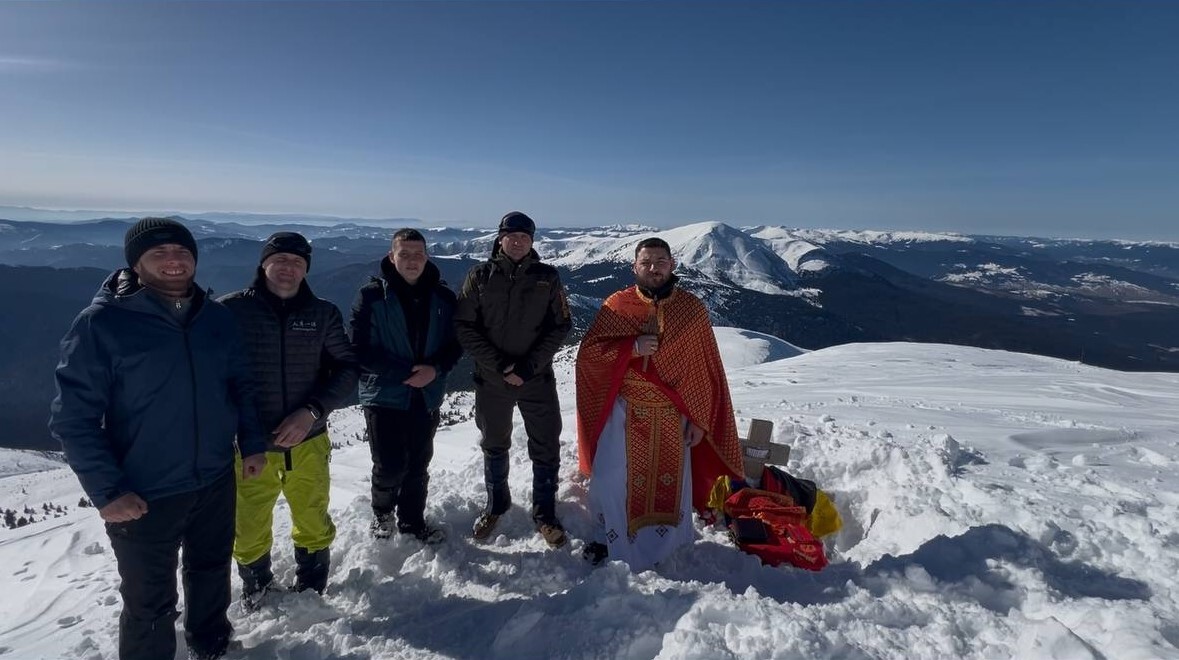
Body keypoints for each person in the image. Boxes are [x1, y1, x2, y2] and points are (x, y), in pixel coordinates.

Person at [49, 217, 269, 660]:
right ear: (136, 263)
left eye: (182, 251)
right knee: (149, 600)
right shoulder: (102, 323)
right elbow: (73, 418)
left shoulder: (215, 317)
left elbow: (240, 385)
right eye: (159, 253)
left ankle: (213, 647)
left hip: (214, 477)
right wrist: (108, 491)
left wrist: (252, 442)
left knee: (211, 572)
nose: (174, 260)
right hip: (144, 489)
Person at [575, 237, 744, 570]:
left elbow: (704, 371)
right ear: (634, 267)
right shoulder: (617, 305)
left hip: (672, 415)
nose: (653, 268)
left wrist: (699, 420)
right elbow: (589, 355)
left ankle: (665, 548)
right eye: (646, 262)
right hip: (625, 411)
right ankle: (610, 536)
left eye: (660, 262)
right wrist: (631, 349)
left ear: (672, 265)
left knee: (669, 487)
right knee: (611, 478)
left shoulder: (691, 309)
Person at [218, 232, 358, 609]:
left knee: (313, 516)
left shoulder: (322, 313)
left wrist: (311, 411)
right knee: (247, 523)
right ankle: (257, 588)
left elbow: (347, 367)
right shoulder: (230, 311)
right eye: (280, 259)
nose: (288, 268)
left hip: (308, 438)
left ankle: (311, 588)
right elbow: (211, 375)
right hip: (248, 443)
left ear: (306, 269)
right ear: (263, 263)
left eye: (297, 262)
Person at [454, 211, 572, 547]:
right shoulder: (479, 276)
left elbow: (561, 325)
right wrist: (502, 365)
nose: (518, 242)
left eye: (524, 237)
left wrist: (528, 367)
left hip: (537, 379)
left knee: (546, 444)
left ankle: (545, 513)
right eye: (512, 236)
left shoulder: (547, 277)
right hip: (492, 379)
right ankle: (496, 505)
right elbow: (464, 326)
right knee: (494, 443)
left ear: (532, 241)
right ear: (500, 239)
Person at [351, 228, 462, 543]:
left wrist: (435, 369)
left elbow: (456, 344)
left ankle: (412, 521)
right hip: (383, 393)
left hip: (426, 394)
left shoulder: (443, 298)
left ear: (427, 257)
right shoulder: (372, 296)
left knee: (417, 464)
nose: (412, 261)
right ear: (391, 256)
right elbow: (359, 349)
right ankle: (382, 513)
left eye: (418, 254)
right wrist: (407, 372)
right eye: (405, 254)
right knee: (388, 465)